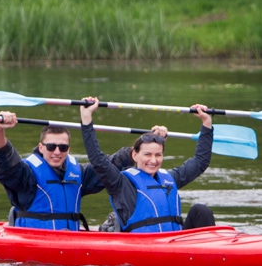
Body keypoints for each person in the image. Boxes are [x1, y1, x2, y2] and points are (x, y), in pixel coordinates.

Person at [0, 103, 166, 231]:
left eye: (63, 147)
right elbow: (5, 162)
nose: (57, 152)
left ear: (68, 148)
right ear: (41, 147)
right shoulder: (26, 176)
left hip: (69, 242)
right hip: (33, 244)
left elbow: (111, 164)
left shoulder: (78, 174)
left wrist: (149, 141)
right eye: (51, 147)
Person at [80, 97, 216, 233]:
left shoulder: (170, 179)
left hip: (174, 241)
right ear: (135, 155)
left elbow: (200, 162)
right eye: (147, 154)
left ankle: (211, 246)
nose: (153, 160)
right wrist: (86, 119)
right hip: (143, 243)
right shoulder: (120, 183)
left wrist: (206, 123)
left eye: (158, 155)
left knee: (201, 211)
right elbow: (98, 160)